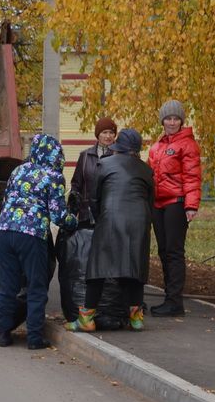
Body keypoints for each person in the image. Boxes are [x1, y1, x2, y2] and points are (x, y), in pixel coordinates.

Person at [0, 133, 76, 349]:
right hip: (30, 235)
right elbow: (58, 216)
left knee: (7, 286)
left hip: (3, 231)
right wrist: (74, 221)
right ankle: (34, 339)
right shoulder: (53, 176)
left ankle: (3, 335)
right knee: (36, 286)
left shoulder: (18, 170)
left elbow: (6, 199)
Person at [66, 128, 153, 332]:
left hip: (111, 218)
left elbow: (95, 197)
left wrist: (100, 217)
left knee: (99, 268)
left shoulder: (103, 164)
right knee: (134, 267)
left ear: (118, 147)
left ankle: (86, 318)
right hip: (139, 221)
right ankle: (136, 318)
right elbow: (150, 199)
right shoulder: (146, 169)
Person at [58, 117, 117, 318]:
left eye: (111, 133)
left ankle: (104, 300)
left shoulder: (118, 155)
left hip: (107, 213)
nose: (108, 136)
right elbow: (76, 183)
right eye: (105, 133)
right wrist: (72, 205)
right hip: (85, 213)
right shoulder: (85, 156)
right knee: (85, 252)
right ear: (97, 135)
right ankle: (87, 296)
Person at [147, 100, 201, 317]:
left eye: (175, 118)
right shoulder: (158, 146)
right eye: (168, 118)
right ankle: (169, 297)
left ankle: (175, 302)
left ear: (181, 121)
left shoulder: (187, 145)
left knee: (174, 252)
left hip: (176, 203)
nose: (171, 122)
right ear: (162, 121)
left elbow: (192, 177)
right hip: (157, 204)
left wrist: (191, 205)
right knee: (163, 251)